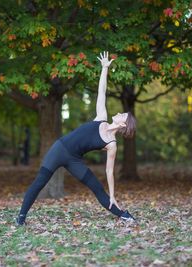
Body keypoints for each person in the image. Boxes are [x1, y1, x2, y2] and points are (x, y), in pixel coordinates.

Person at [16, 51, 137, 226]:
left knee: (97, 187)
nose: (119, 112)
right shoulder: (101, 117)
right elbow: (101, 91)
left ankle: (124, 215)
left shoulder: (112, 144)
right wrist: (104, 69)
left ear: (124, 125)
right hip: (59, 149)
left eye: (122, 114)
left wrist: (112, 194)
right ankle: (21, 218)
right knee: (39, 182)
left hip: (74, 160)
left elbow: (109, 171)